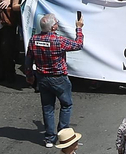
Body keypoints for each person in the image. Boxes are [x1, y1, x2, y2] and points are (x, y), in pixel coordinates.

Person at [28, 10, 84, 146]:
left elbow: (28, 58)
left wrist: (29, 75)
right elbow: (78, 44)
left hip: (42, 78)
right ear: (53, 27)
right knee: (66, 104)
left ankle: (49, 138)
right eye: (57, 23)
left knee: (48, 107)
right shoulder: (59, 41)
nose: (58, 24)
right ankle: (63, 134)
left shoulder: (34, 39)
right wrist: (79, 28)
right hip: (59, 78)